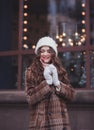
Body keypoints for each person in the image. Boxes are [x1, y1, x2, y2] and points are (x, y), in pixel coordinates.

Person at [25, 36, 75, 130]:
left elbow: (71, 95)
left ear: (53, 53)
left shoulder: (60, 70)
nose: (45, 54)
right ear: (38, 53)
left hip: (59, 123)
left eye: (48, 51)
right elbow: (30, 98)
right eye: (42, 51)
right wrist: (47, 83)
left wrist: (57, 84)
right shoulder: (31, 71)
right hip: (40, 123)